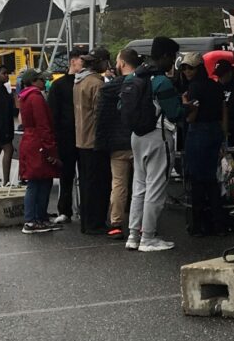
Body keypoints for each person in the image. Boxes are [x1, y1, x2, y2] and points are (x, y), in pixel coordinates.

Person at [126, 36, 187, 252]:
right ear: (165, 56)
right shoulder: (161, 81)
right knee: (156, 187)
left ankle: (133, 235)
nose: (173, 62)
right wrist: (186, 106)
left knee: (139, 187)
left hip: (136, 136)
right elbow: (175, 112)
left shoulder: (133, 77)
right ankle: (148, 237)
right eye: (173, 57)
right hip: (157, 136)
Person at [180, 52, 226, 236]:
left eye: (190, 67)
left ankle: (198, 225)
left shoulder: (194, 88)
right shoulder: (216, 86)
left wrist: (184, 103)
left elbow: (192, 117)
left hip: (199, 132)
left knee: (198, 180)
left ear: (198, 68)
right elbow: (224, 110)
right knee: (212, 180)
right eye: (184, 68)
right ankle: (219, 223)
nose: (186, 71)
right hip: (215, 130)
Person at [95, 47, 139, 240]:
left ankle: (116, 224)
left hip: (116, 144)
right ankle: (140, 225)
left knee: (118, 184)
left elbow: (101, 118)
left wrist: (101, 143)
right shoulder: (143, 84)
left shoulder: (109, 88)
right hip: (139, 140)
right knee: (141, 184)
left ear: (121, 63)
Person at [17, 68, 61, 234]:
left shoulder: (25, 96)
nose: (44, 82)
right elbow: (43, 123)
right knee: (37, 182)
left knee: (40, 180)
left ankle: (38, 217)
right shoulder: (36, 97)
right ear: (34, 81)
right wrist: (50, 146)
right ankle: (32, 220)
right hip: (38, 142)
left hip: (30, 140)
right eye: (42, 80)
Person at [74, 48, 112, 234]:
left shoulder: (78, 81)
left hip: (81, 139)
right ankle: (96, 223)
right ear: (101, 62)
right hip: (95, 140)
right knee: (99, 185)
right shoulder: (97, 83)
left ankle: (86, 222)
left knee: (86, 183)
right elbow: (101, 114)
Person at [48, 47, 86, 225]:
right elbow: (53, 114)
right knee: (66, 175)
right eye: (82, 60)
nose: (85, 64)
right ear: (73, 61)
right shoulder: (59, 85)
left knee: (87, 175)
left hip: (84, 135)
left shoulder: (88, 82)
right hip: (66, 136)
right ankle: (64, 210)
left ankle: (86, 209)